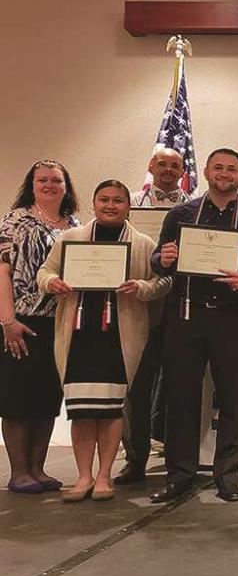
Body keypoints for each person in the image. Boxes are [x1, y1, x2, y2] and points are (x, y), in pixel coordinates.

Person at [149, 148, 238, 503]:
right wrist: (161, 258)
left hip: (235, 319)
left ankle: (226, 475)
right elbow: (159, 258)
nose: (225, 173)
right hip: (186, 317)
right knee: (181, 398)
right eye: (218, 167)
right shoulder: (180, 214)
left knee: (233, 399)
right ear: (205, 171)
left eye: (232, 169)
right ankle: (180, 475)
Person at [37, 180, 170, 501]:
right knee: (82, 411)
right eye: (104, 200)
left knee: (111, 411)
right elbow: (43, 272)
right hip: (79, 336)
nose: (111, 205)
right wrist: (53, 282)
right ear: (93, 204)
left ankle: (104, 476)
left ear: (129, 206)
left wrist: (141, 287)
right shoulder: (71, 238)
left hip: (119, 339)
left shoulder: (142, 244)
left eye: (118, 201)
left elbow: (163, 281)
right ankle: (83, 477)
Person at [0, 160, 78, 494]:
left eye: (55, 180)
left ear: (66, 186)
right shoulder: (16, 221)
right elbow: (1, 273)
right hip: (21, 321)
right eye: (41, 180)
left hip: (60, 324)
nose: (49, 185)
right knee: (18, 398)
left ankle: (38, 469)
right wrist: (7, 320)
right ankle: (19, 472)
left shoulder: (74, 226)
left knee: (47, 398)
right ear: (31, 185)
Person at [116, 145, 190, 485]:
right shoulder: (129, 204)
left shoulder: (196, 206)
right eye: (162, 164)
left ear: (182, 170)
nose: (168, 170)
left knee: (179, 389)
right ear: (151, 165)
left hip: (183, 310)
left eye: (175, 165)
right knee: (137, 390)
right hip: (140, 309)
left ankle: (179, 460)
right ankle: (135, 459)